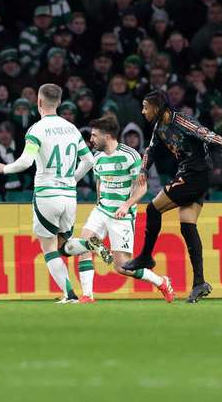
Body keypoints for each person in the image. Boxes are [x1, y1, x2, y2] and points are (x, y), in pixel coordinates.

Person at [123, 90, 222, 303]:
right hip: (191, 175)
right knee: (187, 226)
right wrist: (144, 170)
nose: (143, 111)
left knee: (154, 209)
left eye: (146, 107)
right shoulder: (158, 126)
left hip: (195, 176)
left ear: (157, 107)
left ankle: (145, 256)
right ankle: (199, 282)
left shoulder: (183, 122)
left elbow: (218, 139)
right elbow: (151, 150)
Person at [0, 84, 94, 303]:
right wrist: (71, 180)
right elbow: (89, 161)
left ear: (38, 102)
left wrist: (4, 168)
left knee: (49, 247)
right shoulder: (72, 129)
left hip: (47, 194)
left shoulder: (37, 129)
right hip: (69, 196)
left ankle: (69, 293)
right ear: (58, 102)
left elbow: (25, 162)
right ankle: (86, 245)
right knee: (63, 245)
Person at [61, 114, 174, 304]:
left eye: (95, 135)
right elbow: (99, 182)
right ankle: (88, 295)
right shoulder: (96, 157)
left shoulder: (130, 156)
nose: (91, 139)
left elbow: (142, 187)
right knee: (85, 242)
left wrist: (126, 205)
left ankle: (161, 281)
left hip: (121, 216)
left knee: (122, 267)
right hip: (102, 210)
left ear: (107, 137)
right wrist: (99, 201)